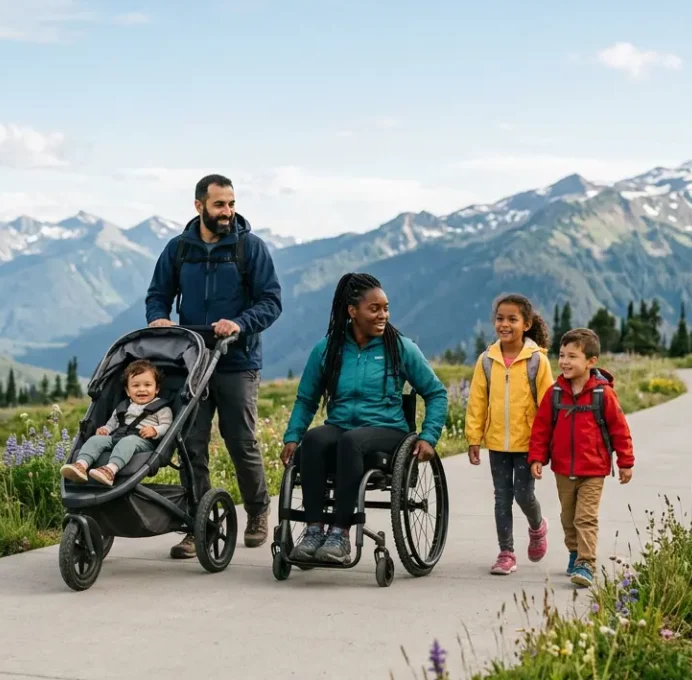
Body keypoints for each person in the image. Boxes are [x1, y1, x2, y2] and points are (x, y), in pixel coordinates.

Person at [145, 173, 283, 558]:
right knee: (191, 444)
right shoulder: (178, 249)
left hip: (237, 360)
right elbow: (157, 295)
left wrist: (239, 324)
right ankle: (198, 525)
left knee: (241, 440)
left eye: (232, 204)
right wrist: (158, 318)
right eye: (219, 204)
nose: (227, 211)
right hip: (191, 360)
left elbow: (271, 302)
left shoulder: (249, 247)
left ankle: (257, 512)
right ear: (199, 206)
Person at [280, 273, 448, 564]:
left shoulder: (400, 347)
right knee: (314, 440)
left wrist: (428, 437)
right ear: (352, 311)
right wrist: (293, 437)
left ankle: (340, 534)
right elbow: (306, 399)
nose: (383, 315)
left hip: (388, 430)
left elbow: (436, 393)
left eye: (386, 308)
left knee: (351, 441)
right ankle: (314, 531)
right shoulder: (327, 349)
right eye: (375, 309)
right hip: (342, 426)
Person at [528, 328, 634, 588]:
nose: (564, 361)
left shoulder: (603, 394)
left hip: (593, 470)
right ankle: (574, 553)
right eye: (562, 355)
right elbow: (541, 428)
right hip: (563, 468)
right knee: (568, 517)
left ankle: (586, 563)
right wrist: (537, 458)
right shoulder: (554, 393)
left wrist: (625, 463)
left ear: (590, 361)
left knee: (585, 517)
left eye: (572, 356)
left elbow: (620, 430)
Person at [465, 293, 555, 576]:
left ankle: (537, 526)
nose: (504, 324)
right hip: (497, 443)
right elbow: (477, 401)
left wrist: (544, 446)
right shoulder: (486, 360)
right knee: (501, 498)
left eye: (512, 319)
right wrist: (473, 437)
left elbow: (548, 406)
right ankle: (506, 552)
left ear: (526, 324)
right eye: (500, 318)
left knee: (524, 495)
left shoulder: (537, 361)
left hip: (528, 443)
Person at [60, 360, 173, 486]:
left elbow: (168, 426)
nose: (142, 389)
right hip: (117, 436)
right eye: (136, 386)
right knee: (95, 440)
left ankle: (110, 470)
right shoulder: (122, 407)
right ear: (128, 391)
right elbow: (112, 424)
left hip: (142, 441)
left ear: (156, 389)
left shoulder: (162, 409)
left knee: (128, 441)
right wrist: (105, 430)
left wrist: (155, 430)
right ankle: (81, 465)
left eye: (147, 385)